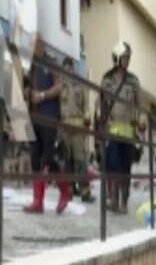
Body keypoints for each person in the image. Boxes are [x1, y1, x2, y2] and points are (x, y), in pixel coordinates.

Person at [23, 35, 71, 214]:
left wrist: (42, 95)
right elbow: (26, 87)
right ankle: (38, 202)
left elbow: (60, 87)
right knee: (35, 157)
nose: (32, 48)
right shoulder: (30, 66)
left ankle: (65, 191)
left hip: (49, 116)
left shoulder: (51, 62)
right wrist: (28, 93)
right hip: (34, 117)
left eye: (35, 44)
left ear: (42, 45)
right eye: (31, 45)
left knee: (47, 158)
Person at [99, 42, 143, 215]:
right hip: (112, 130)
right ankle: (114, 201)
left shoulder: (134, 81)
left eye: (128, 58)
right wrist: (102, 121)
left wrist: (140, 122)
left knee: (125, 168)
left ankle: (124, 202)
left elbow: (140, 105)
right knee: (114, 166)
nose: (127, 61)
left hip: (128, 131)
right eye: (124, 57)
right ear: (116, 58)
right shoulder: (107, 79)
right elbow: (101, 104)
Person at [59, 56, 95, 203]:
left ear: (73, 69)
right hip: (64, 127)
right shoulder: (59, 85)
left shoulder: (79, 84)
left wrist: (87, 121)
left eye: (70, 68)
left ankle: (85, 191)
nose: (68, 70)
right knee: (67, 160)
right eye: (65, 68)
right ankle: (69, 189)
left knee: (80, 160)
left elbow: (86, 106)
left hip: (78, 127)